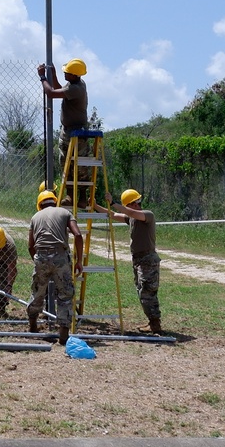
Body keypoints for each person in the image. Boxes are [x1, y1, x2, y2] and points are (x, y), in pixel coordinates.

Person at [93, 188, 162, 333]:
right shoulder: (132, 218)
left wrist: (113, 203)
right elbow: (112, 215)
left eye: (127, 206)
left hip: (147, 260)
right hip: (139, 260)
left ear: (133, 204)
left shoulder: (147, 215)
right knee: (142, 291)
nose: (126, 209)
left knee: (147, 292)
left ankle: (155, 324)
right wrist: (95, 206)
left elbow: (129, 213)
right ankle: (152, 322)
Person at [27, 190, 84, 344]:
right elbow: (78, 235)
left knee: (38, 291)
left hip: (41, 256)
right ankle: (63, 335)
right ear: (54, 201)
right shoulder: (65, 212)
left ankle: (32, 326)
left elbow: (30, 246)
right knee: (65, 295)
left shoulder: (35, 217)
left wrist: (39, 261)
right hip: (60, 257)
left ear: (40, 204)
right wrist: (79, 260)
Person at [38, 58, 90, 208]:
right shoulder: (73, 84)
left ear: (74, 75)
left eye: (67, 72)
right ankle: (70, 196)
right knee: (65, 163)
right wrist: (52, 74)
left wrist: (42, 77)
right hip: (67, 131)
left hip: (77, 131)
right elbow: (58, 88)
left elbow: (51, 93)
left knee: (79, 165)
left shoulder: (77, 88)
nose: (65, 74)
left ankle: (81, 197)